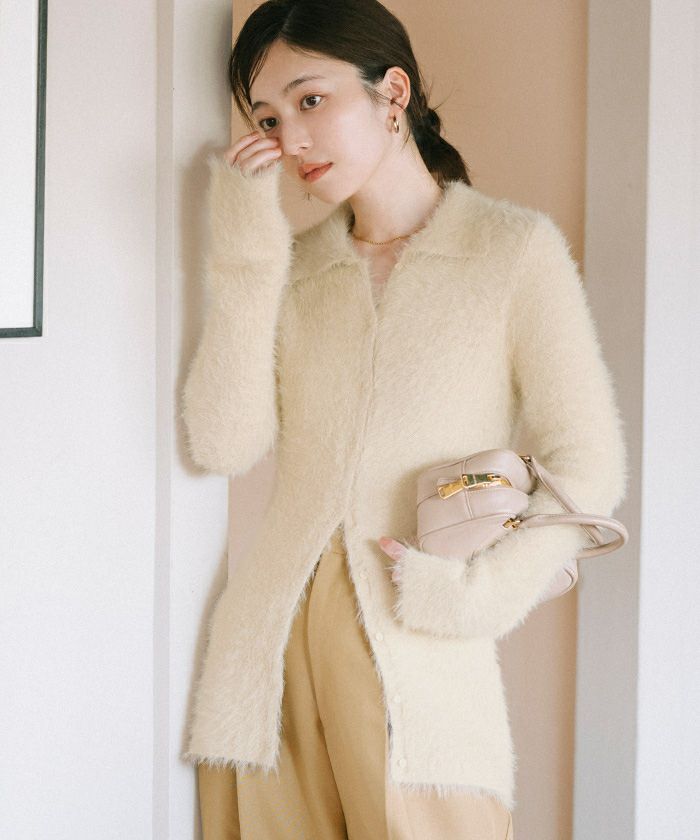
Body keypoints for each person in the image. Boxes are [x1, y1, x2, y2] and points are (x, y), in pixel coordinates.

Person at [182, 1, 629, 838]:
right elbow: (222, 442)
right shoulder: (296, 270)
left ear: (393, 94)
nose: (291, 139)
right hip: (264, 667)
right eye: (269, 119)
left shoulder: (512, 250)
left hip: (419, 649)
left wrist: (474, 599)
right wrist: (246, 252)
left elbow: (589, 461)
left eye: (311, 100)